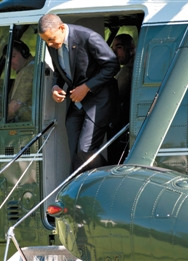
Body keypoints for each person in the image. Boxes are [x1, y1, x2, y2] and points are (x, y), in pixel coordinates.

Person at [38, 14, 120, 172]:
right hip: (77, 104)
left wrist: (87, 87)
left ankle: (112, 179)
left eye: (51, 39)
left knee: (85, 150)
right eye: (46, 41)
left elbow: (112, 65)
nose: (49, 44)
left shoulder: (88, 37)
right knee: (76, 154)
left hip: (99, 100)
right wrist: (55, 86)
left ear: (61, 28)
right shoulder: (52, 42)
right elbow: (59, 71)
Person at [108, 34, 136, 164]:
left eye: (118, 47)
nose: (114, 52)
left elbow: (115, 95)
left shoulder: (128, 71)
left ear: (131, 48)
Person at [7, 40, 35, 122]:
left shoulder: (27, 71)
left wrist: (0, 120)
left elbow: (15, 105)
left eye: (13, 56)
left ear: (24, 53)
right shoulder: (32, 65)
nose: (10, 63)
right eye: (7, 60)